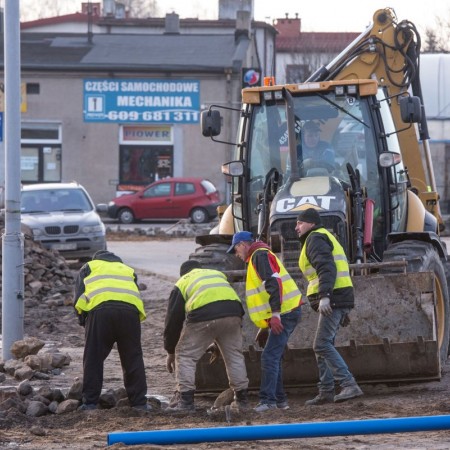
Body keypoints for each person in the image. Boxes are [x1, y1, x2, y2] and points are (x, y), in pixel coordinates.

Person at [227, 231, 303, 412]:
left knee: (269, 357)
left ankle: (269, 401)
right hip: (286, 311)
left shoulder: (259, 255)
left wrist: (275, 315)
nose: (237, 255)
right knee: (272, 357)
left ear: (242, 245)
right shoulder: (260, 255)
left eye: (236, 250)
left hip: (285, 312)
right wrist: (268, 322)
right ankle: (279, 401)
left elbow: (273, 283)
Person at [295, 208, 363, 405]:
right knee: (324, 346)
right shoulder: (322, 237)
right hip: (337, 298)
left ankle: (349, 384)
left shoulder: (315, 238)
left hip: (333, 298)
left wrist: (325, 296)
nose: (296, 227)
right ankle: (326, 390)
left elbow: (326, 267)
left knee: (321, 344)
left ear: (311, 223)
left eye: (300, 223)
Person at [163, 260, 249, 412]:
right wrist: (219, 341)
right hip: (234, 313)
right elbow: (224, 302)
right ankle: (242, 400)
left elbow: (173, 320)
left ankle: (186, 403)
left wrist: (170, 350)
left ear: (183, 273)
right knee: (234, 356)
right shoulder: (217, 275)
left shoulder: (183, 281)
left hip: (203, 315)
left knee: (185, 355)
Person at [74, 250, 149, 411]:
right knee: (133, 357)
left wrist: (83, 321)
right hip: (130, 313)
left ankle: (90, 403)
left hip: (101, 311)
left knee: (93, 357)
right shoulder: (127, 269)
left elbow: (79, 296)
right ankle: (139, 403)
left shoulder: (89, 266)